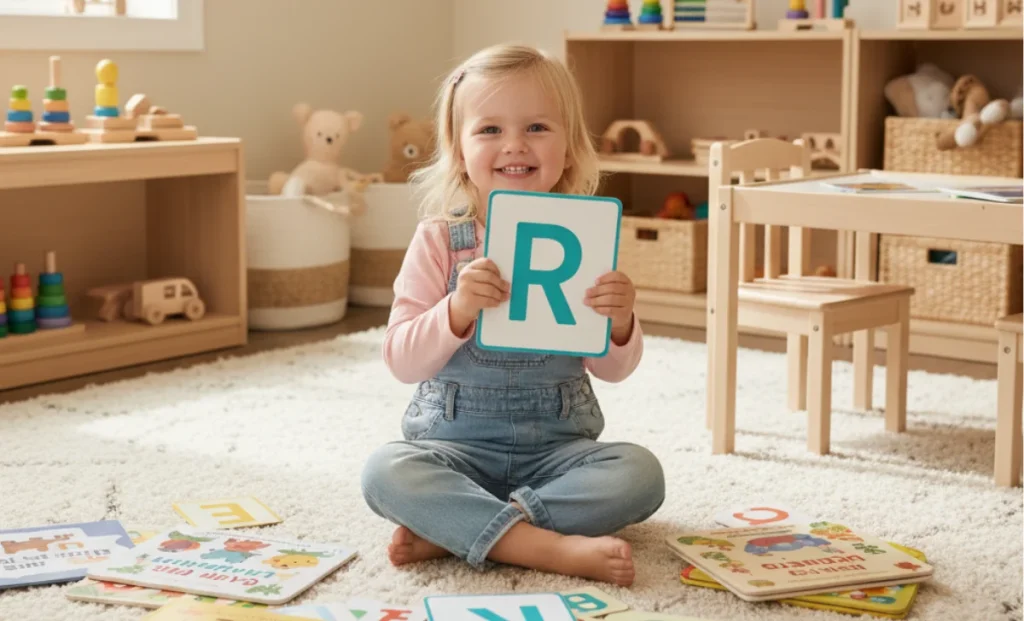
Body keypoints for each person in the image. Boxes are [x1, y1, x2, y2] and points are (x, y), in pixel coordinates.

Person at [360, 43, 665, 587]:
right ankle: (545, 547)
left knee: (640, 474)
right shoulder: (438, 241)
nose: (515, 146)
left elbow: (615, 371)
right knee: (385, 472)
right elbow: (402, 361)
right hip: (453, 446)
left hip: (558, 450)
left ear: (570, 148)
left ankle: (464, 531)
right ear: (457, 149)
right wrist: (456, 309)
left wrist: (620, 322)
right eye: (490, 130)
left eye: (538, 128)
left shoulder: (585, 237)